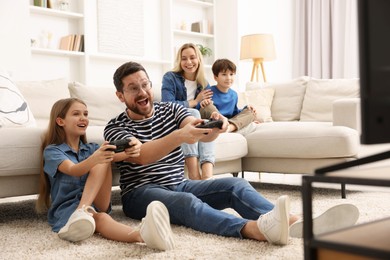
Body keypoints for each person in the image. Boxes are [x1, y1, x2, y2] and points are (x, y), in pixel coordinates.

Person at [104, 61, 360, 246]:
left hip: (179, 184)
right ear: (120, 95)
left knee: (236, 184)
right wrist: (179, 136)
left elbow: (194, 129)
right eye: (133, 88)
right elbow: (142, 156)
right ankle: (253, 230)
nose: (142, 93)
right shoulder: (116, 127)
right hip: (141, 194)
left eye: (145, 85)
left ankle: (291, 222)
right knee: (188, 204)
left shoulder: (170, 109)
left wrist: (216, 127)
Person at [35, 97, 175, 251]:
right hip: (68, 208)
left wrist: (132, 149)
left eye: (86, 114)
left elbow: (119, 156)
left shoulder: (92, 148)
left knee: (105, 156)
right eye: (76, 114)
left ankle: (83, 210)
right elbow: (73, 170)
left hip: (96, 202)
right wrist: (96, 158)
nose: (83, 118)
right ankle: (142, 235)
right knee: (101, 218)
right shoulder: (53, 151)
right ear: (60, 121)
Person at [161, 42, 215, 180]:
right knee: (194, 114)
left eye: (192, 57)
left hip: (196, 121)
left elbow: (205, 109)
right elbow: (167, 105)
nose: (188, 62)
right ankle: (194, 175)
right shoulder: (170, 77)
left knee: (207, 122)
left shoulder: (204, 83)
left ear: (199, 59)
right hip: (173, 122)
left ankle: (207, 177)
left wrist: (205, 104)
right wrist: (195, 102)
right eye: (184, 58)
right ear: (180, 61)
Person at [198, 58, 258, 134]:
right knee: (207, 106)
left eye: (231, 74)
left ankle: (228, 128)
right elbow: (200, 109)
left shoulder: (234, 95)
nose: (228, 78)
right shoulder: (209, 92)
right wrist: (204, 103)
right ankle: (226, 125)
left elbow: (234, 113)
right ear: (215, 77)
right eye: (224, 74)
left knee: (251, 112)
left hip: (228, 121)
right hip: (213, 119)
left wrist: (246, 108)